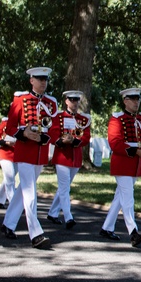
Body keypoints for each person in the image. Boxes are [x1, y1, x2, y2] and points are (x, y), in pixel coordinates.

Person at [1, 66, 60, 249]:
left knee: (23, 190)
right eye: (39, 79)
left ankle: (8, 224)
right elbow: (10, 127)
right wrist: (24, 133)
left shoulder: (51, 103)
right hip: (25, 151)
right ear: (31, 81)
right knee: (30, 192)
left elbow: (56, 128)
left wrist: (44, 137)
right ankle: (36, 233)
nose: (43, 82)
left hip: (40, 152)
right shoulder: (21, 100)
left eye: (45, 79)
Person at [100, 87, 141, 247]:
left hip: (136, 164)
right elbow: (115, 143)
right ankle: (133, 232)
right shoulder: (117, 119)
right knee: (128, 198)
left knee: (119, 198)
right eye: (133, 99)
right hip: (122, 163)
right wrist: (136, 151)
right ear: (125, 101)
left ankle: (106, 228)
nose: (136, 102)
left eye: (138, 99)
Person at [44, 90, 91, 229]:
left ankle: (52, 213)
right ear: (66, 101)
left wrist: (75, 140)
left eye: (77, 100)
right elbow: (52, 133)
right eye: (72, 100)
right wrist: (61, 140)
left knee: (64, 187)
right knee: (64, 188)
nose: (74, 103)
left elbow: (86, 136)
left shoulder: (83, 119)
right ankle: (68, 217)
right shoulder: (58, 116)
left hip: (75, 157)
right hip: (62, 156)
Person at [0, 116, 17, 209]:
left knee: (9, 178)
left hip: (18, 156)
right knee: (10, 180)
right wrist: (5, 143)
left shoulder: (25, 126)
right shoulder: (6, 123)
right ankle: (13, 204)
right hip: (5, 154)